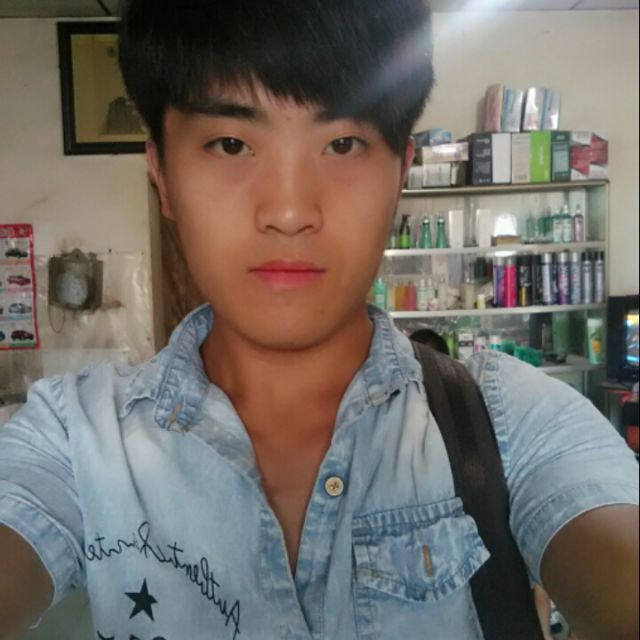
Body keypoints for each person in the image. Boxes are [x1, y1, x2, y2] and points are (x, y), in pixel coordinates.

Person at [0, 1, 638, 638]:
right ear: (162, 176)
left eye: (342, 144)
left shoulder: (511, 425)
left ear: (400, 175)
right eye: (231, 144)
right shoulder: (74, 440)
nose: (289, 210)